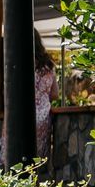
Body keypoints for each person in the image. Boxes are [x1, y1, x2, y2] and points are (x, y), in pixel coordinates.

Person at [33, 30, 56, 162]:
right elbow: (55, 94)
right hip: (43, 115)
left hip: (22, 115)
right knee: (37, 158)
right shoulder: (48, 65)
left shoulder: (20, 61)